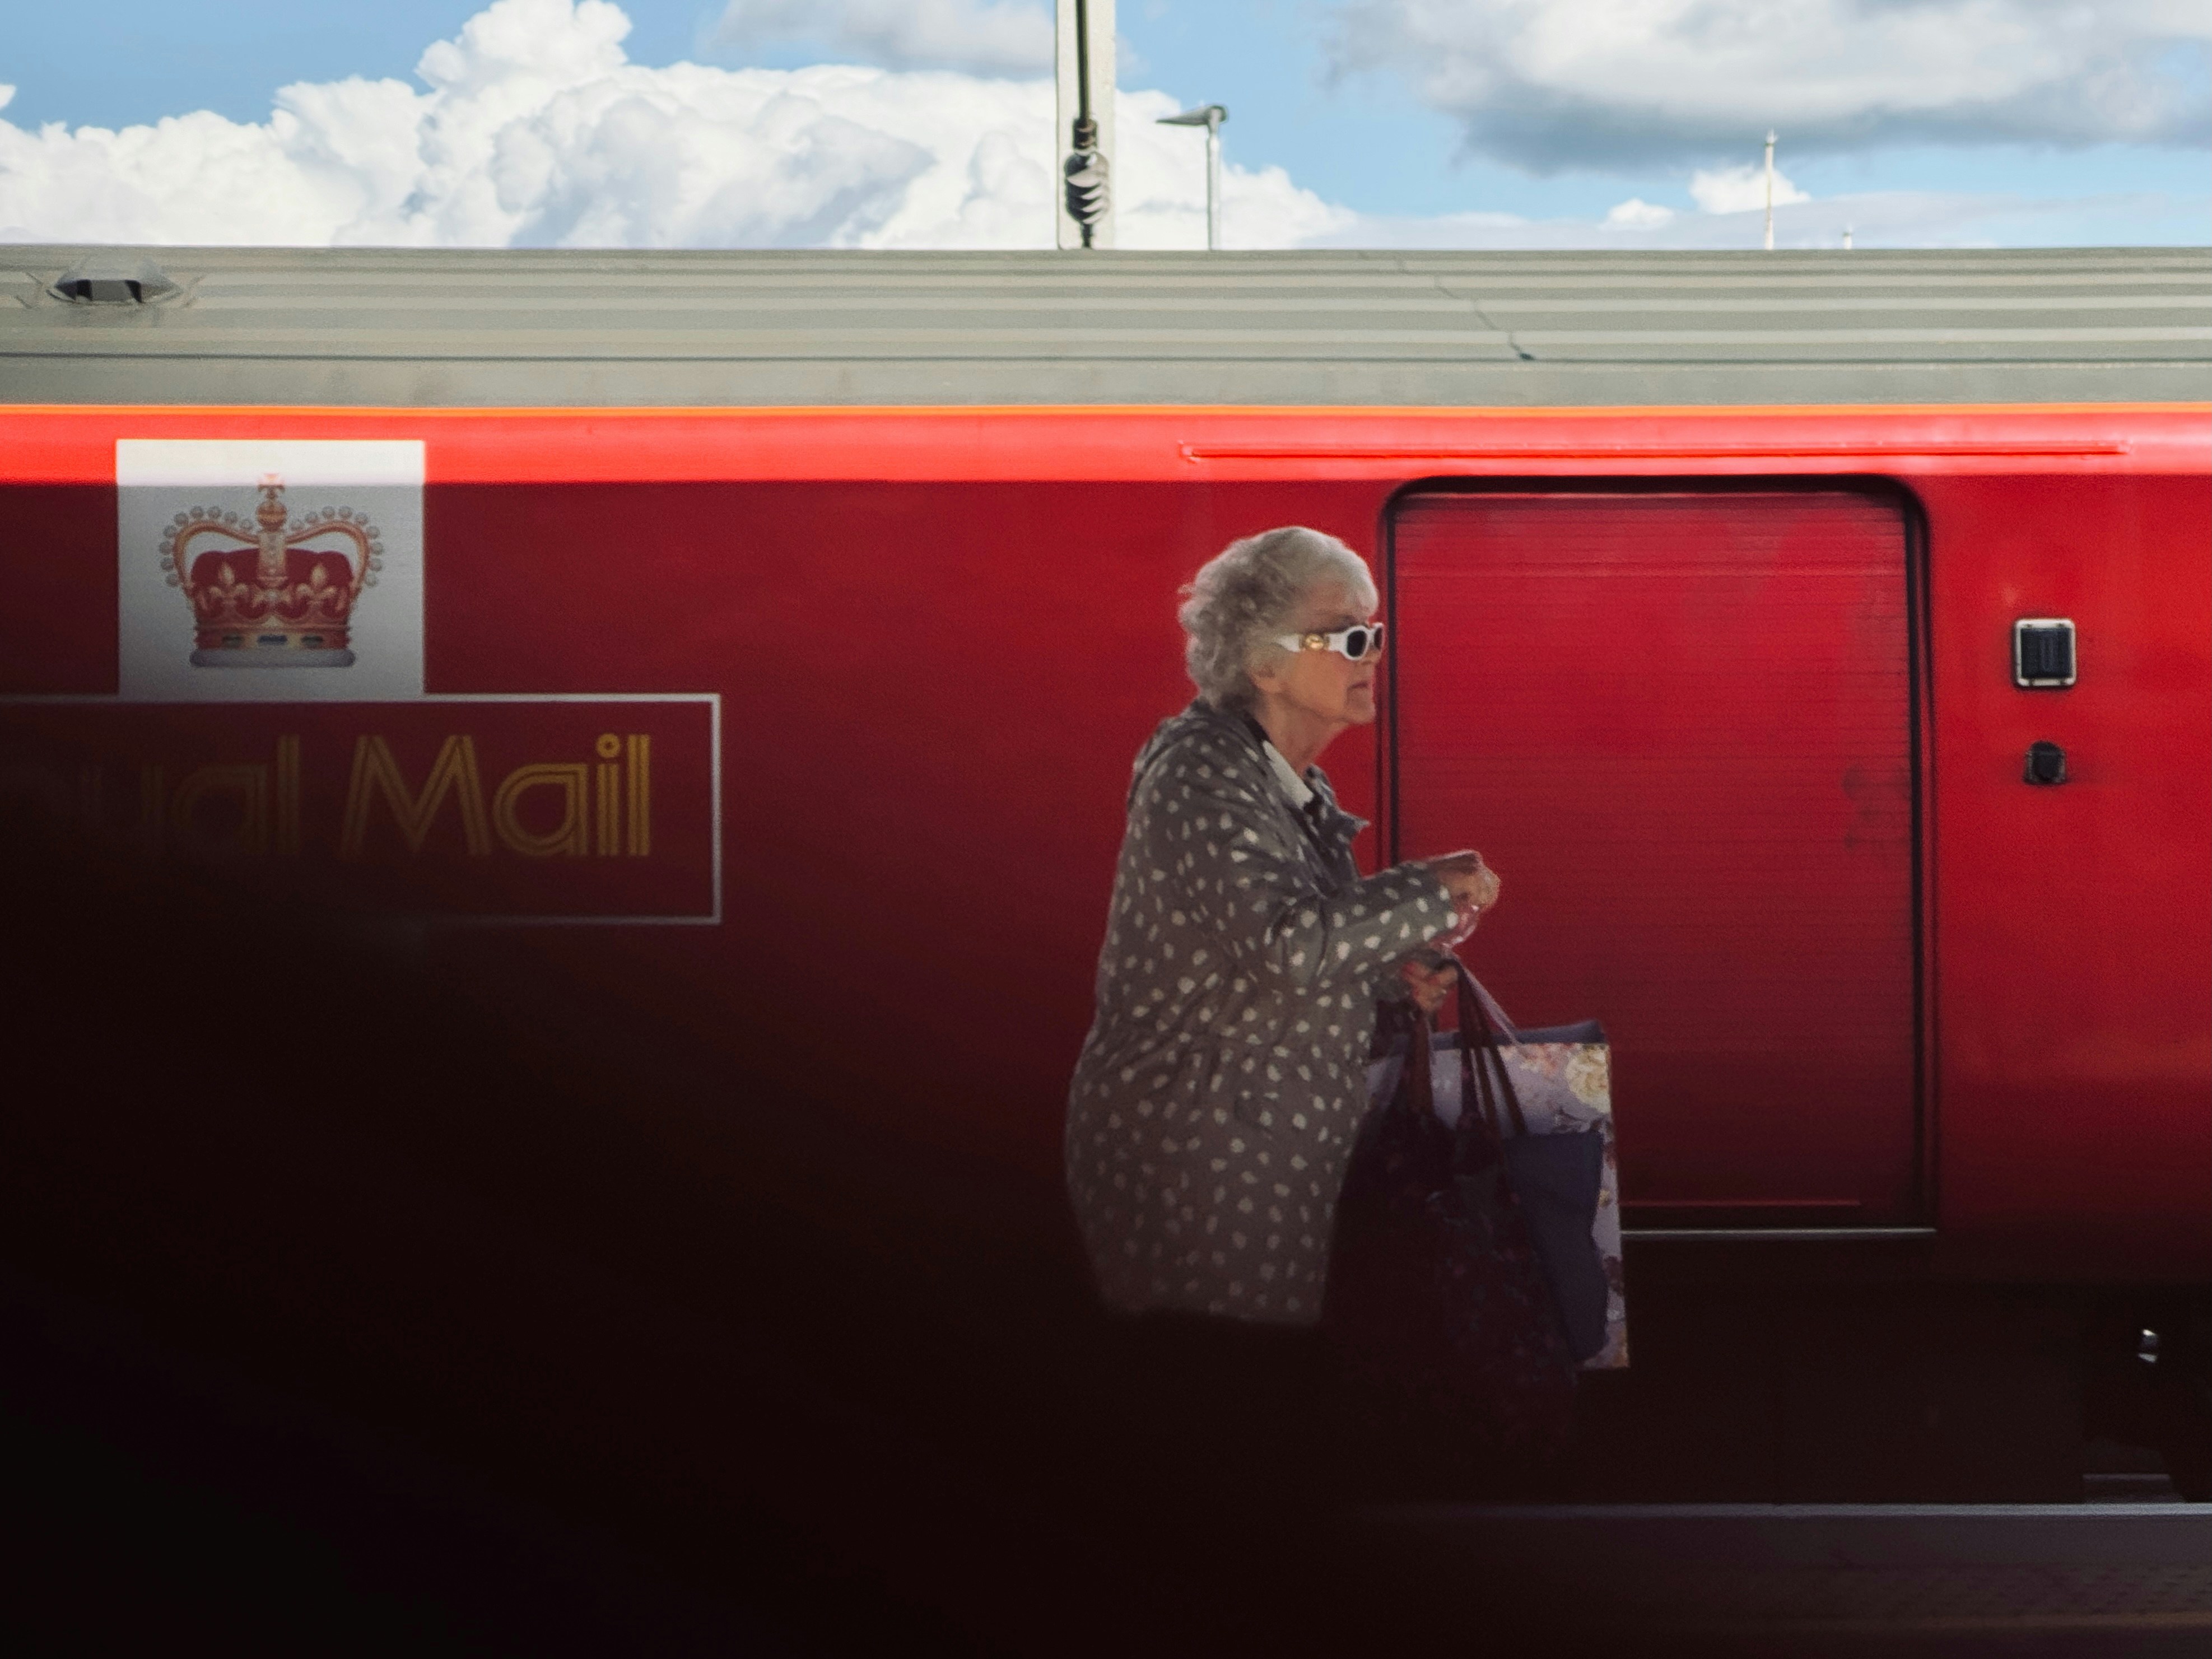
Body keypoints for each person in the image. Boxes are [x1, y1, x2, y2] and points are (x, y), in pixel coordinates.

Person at [1063, 525, 1499, 1516]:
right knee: (1217, 1417)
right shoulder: (1201, 772)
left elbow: (1266, 962)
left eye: (1374, 635)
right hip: (1198, 1164)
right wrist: (1428, 891)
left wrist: (1389, 979)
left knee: (1249, 1418)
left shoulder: (1282, 784)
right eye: (1343, 636)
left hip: (1258, 1158)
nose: (1369, 657)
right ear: (1261, 660)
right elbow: (1288, 946)